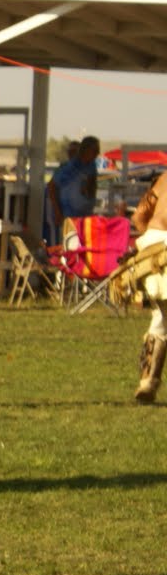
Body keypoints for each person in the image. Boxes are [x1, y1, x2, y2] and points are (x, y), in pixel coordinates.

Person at [126, 171, 167, 402]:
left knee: (161, 316)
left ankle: (148, 383)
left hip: (152, 247)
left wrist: (154, 248)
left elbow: (139, 216)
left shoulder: (163, 178)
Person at [48, 135, 101, 223]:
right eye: (95, 150)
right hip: (69, 216)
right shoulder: (70, 167)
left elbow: (92, 186)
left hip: (85, 215)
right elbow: (51, 186)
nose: (98, 153)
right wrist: (57, 212)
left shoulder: (91, 165)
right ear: (86, 150)